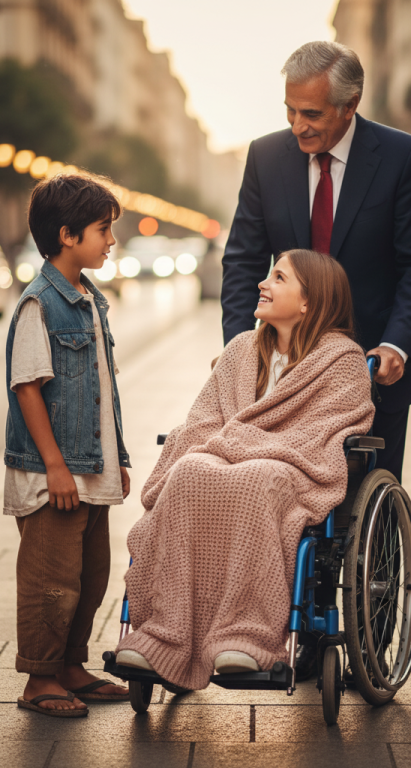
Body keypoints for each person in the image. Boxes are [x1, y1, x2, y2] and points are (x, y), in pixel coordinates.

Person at [115, 250, 374, 691]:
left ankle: (245, 636)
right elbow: (203, 420)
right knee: (189, 470)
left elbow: (325, 431)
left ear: (308, 301)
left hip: (292, 469)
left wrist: (245, 445)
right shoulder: (241, 349)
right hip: (227, 458)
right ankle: (164, 633)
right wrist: (228, 446)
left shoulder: (342, 360)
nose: (262, 284)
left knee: (259, 479)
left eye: (278, 278)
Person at [221, 41, 411, 484]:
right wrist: (239, 350)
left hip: (373, 368)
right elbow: (243, 260)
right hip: (284, 369)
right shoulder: (265, 157)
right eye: (290, 110)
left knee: (365, 495)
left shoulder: (403, 157)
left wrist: (396, 345)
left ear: (349, 105)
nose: (297, 126)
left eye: (312, 114)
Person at [4, 173, 131, 717]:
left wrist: (119, 458)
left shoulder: (89, 300)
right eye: (103, 229)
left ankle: (71, 666)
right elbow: (27, 387)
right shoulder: (40, 304)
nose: (111, 240)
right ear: (67, 235)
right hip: (54, 472)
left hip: (91, 467)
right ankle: (40, 677)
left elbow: (102, 389)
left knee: (89, 574)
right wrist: (55, 466)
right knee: (51, 579)